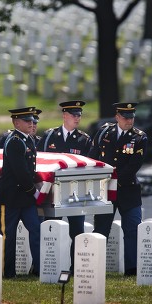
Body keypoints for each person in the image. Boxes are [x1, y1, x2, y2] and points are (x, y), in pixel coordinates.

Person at [88, 102, 147, 276]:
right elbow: (94, 156)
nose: (129, 121)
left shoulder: (139, 137)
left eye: (132, 117)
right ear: (117, 117)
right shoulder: (105, 132)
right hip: (105, 189)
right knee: (101, 229)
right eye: (126, 117)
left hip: (128, 189)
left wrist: (116, 181)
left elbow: (134, 165)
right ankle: (95, 267)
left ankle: (131, 269)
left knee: (132, 229)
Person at [36, 100, 91, 274]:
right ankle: (47, 266)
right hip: (54, 193)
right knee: (51, 229)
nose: (77, 118)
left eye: (79, 115)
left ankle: (76, 268)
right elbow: (40, 161)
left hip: (75, 194)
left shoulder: (84, 140)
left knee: (77, 232)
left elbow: (89, 166)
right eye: (74, 115)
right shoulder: (50, 136)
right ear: (65, 115)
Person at [0, 106, 40, 278]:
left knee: (36, 230)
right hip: (10, 196)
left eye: (32, 120)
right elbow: (20, 172)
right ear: (16, 122)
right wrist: (33, 191)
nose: (31, 123)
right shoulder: (15, 141)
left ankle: (39, 269)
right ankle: (7, 271)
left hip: (24, 198)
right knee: (7, 235)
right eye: (27, 120)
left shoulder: (27, 140)